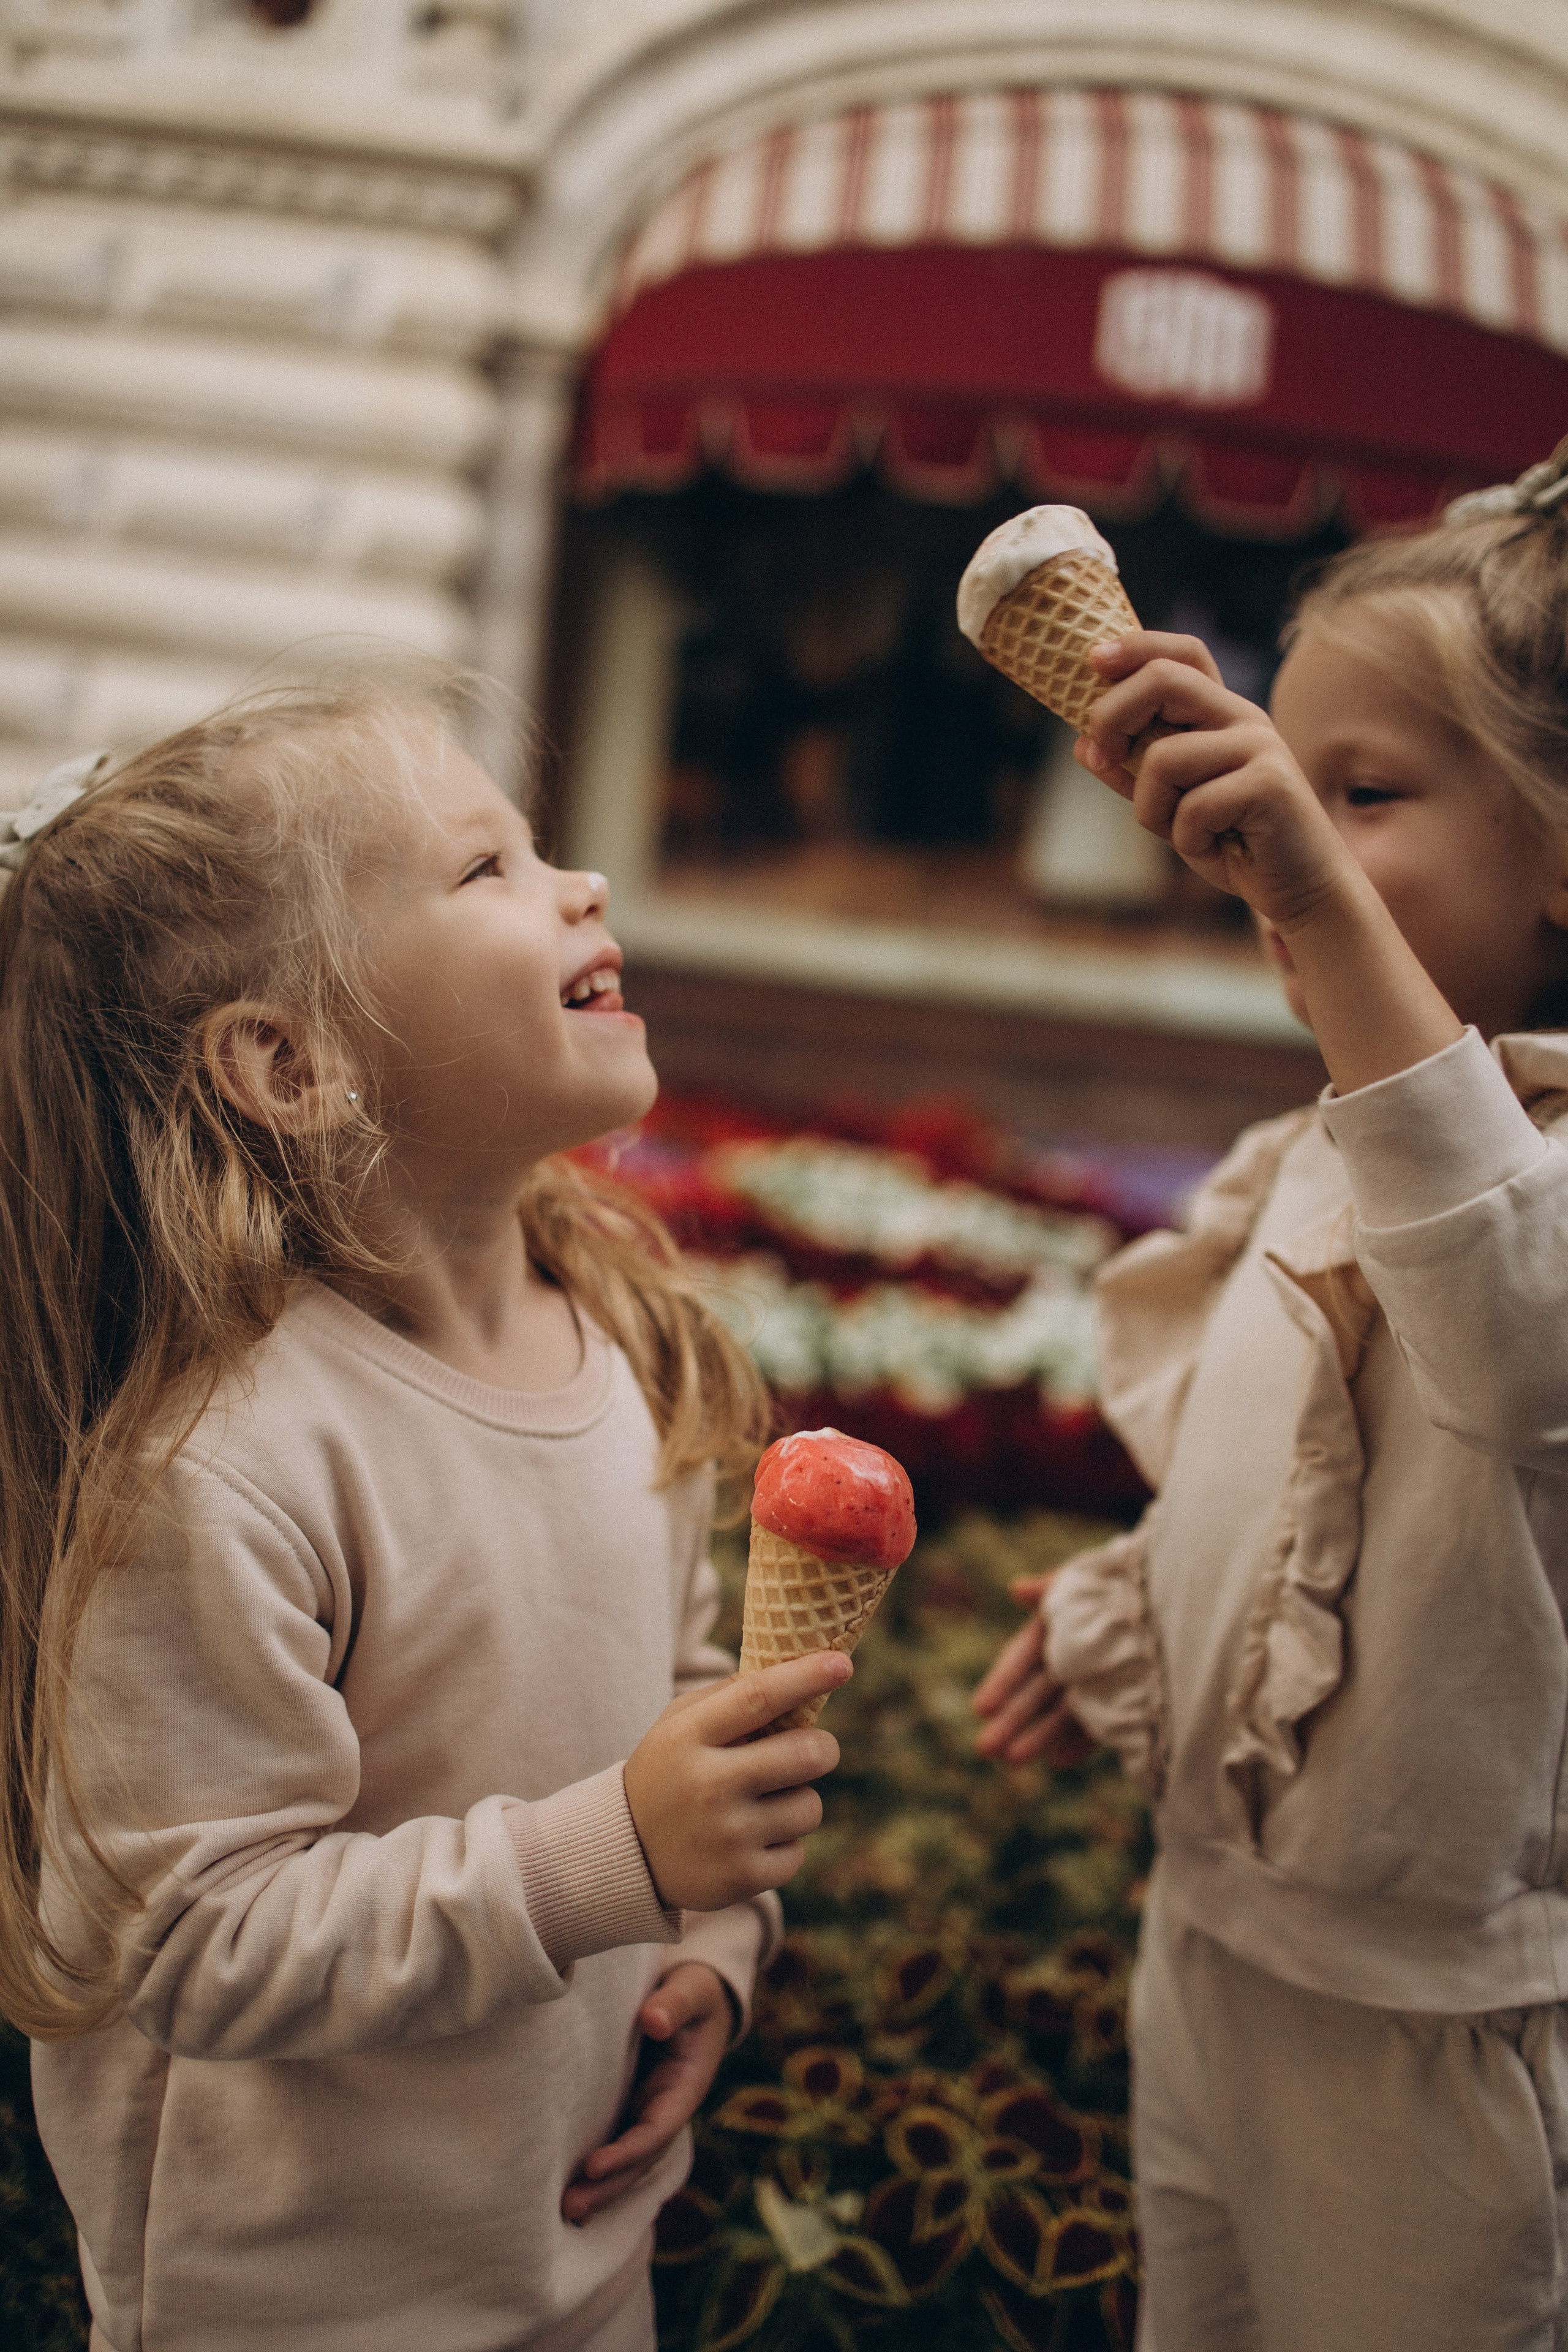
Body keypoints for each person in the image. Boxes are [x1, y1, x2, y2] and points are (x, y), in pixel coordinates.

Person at [0, 662, 851, 2352]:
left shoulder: (614, 1337)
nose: (580, 883)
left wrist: (714, 1938)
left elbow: (682, 1692)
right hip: (299, 2301)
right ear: (294, 1067)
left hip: (577, 2250)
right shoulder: (225, 1466)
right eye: (488, 872)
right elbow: (193, 1939)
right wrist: (616, 1856)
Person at [973, 443, 1568, 2352]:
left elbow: (1514, 1347)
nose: (1275, 834)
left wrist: (1318, 894)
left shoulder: (1492, 1170)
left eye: (1362, 792)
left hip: (1452, 2030)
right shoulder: (1326, 1147)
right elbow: (1305, 1484)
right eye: (1283, 781)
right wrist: (1137, 1611)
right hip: (1212, 1942)